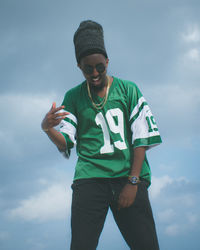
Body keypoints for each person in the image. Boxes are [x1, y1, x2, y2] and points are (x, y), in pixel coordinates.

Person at [41, 20, 162, 250]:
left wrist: (133, 182)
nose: (95, 73)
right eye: (88, 68)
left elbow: (141, 139)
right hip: (90, 179)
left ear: (107, 62)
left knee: (147, 245)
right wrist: (47, 128)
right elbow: (66, 143)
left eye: (100, 67)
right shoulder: (73, 97)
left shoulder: (129, 89)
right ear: (79, 66)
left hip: (127, 176)